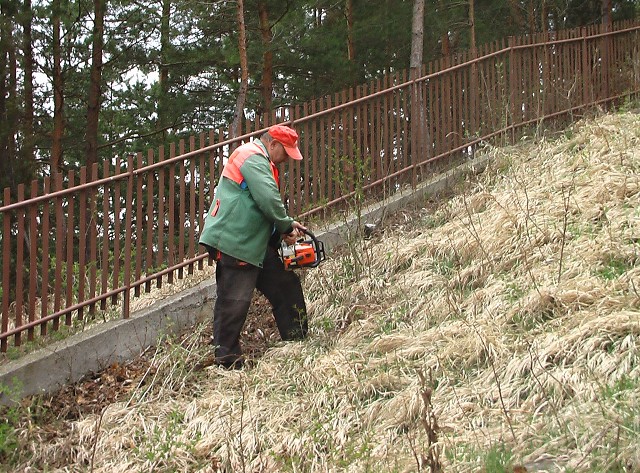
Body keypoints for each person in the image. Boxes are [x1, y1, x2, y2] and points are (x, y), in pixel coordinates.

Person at [199, 124, 309, 369]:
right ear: (273, 144)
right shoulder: (252, 156)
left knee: (286, 285)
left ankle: (298, 342)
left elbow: (258, 206)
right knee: (234, 302)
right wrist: (285, 226)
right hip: (235, 242)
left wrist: (286, 225)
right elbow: (268, 199)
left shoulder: (261, 161)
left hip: (253, 243)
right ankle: (227, 363)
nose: (287, 159)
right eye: (286, 153)